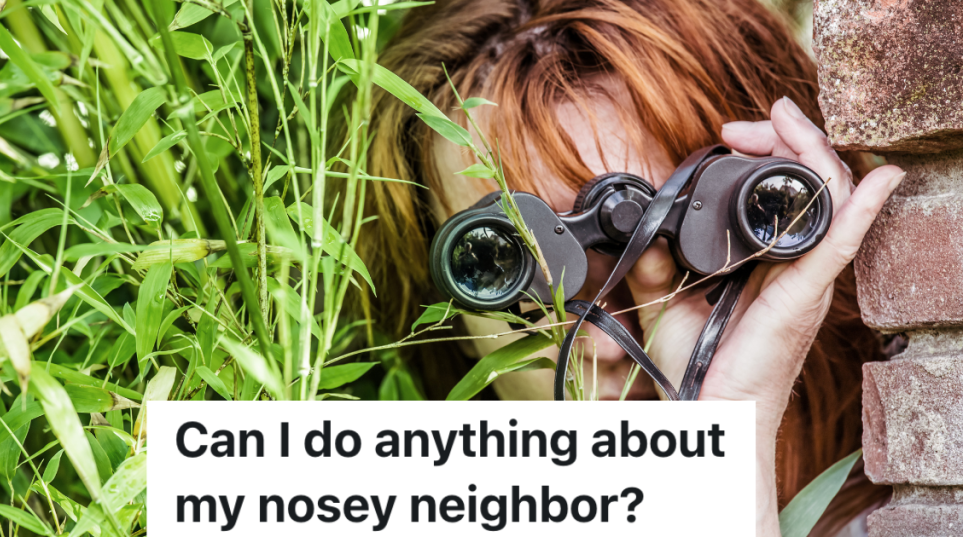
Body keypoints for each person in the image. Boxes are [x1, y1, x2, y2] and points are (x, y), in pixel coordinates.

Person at [353, 1, 904, 534]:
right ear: (456, 320)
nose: (607, 344)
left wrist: (723, 428)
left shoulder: (920, 508)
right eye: (503, 266)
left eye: (683, 254)